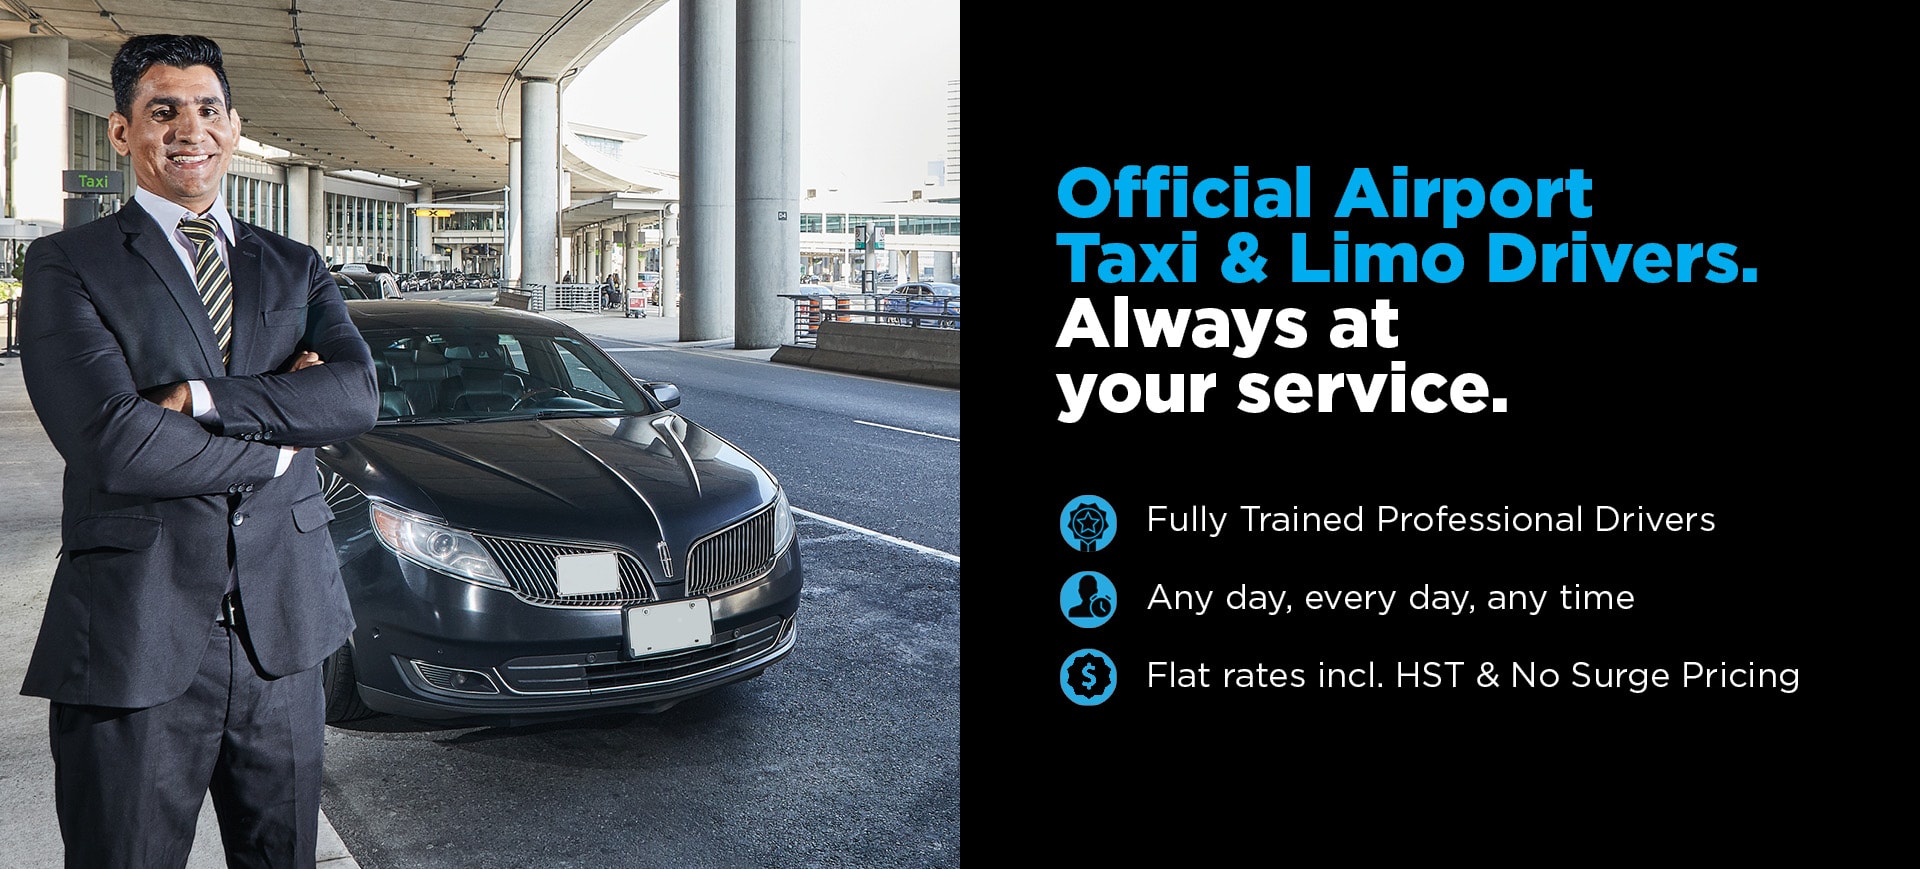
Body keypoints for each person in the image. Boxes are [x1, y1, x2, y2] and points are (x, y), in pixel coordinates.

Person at [16, 34, 379, 867]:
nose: (191, 129)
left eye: (209, 109)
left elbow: (356, 395)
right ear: (122, 131)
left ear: (235, 127)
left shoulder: (294, 266)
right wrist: (282, 447)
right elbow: (116, 444)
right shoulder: (68, 265)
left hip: (282, 635)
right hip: (135, 637)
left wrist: (201, 399)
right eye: (164, 110)